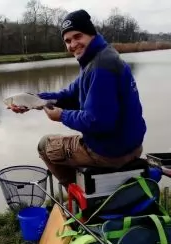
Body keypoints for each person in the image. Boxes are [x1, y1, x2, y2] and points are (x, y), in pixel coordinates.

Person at [9, 9, 147, 190]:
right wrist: (32, 101)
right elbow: (69, 95)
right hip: (131, 145)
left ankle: (79, 197)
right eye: (67, 41)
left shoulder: (100, 66)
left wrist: (62, 116)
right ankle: (94, 192)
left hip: (111, 151)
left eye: (77, 36)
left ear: (91, 34)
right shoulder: (101, 57)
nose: (73, 44)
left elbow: (98, 122)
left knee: (45, 145)